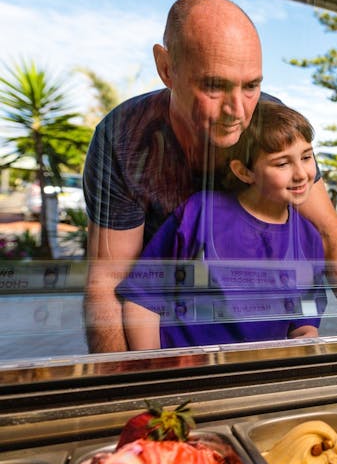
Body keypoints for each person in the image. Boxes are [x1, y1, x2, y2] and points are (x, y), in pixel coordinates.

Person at [84, 0, 337, 352]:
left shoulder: (269, 124)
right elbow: (111, 282)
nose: (237, 111)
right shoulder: (124, 137)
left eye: (252, 85)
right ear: (167, 69)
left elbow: (327, 237)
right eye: (214, 85)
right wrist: (131, 383)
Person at [116, 101, 326, 349]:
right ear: (244, 171)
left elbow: (304, 319)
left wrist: (307, 333)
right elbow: (143, 299)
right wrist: (150, 370)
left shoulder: (309, 237)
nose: (301, 173)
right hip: (185, 371)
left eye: (306, 156)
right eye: (282, 163)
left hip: (257, 375)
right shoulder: (200, 213)